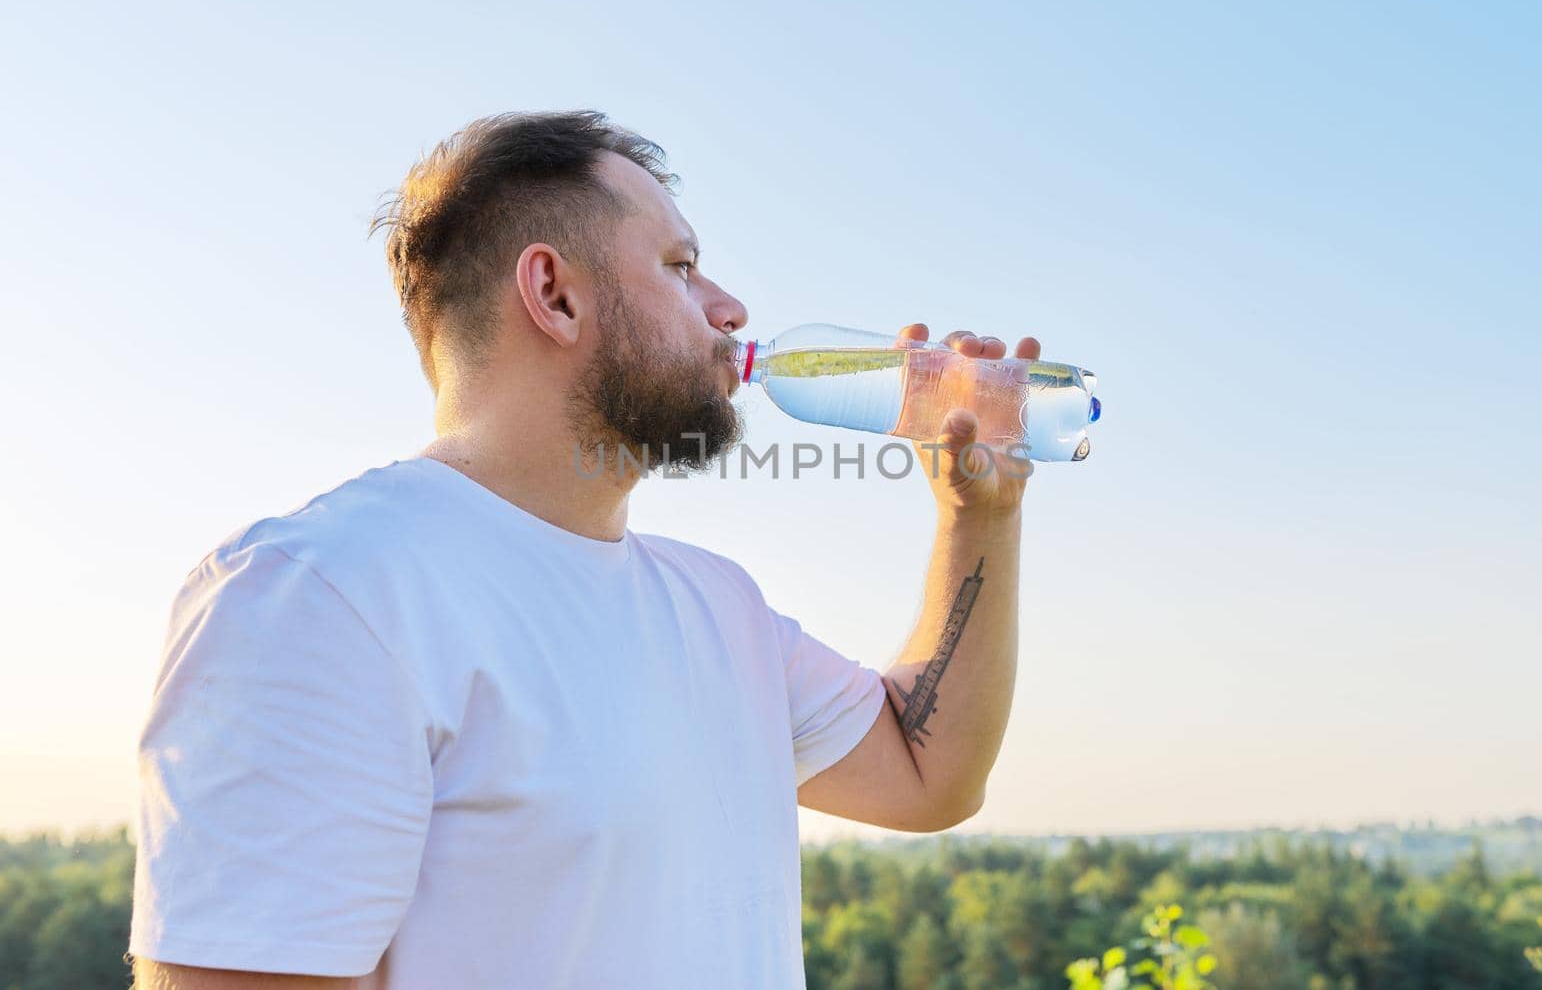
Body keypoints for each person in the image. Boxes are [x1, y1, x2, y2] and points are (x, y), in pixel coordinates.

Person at [128, 111, 1038, 989]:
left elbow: (931, 778)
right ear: (554, 294)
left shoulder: (720, 605)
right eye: (681, 267)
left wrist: (977, 514)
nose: (730, 309)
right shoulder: (323, 596)